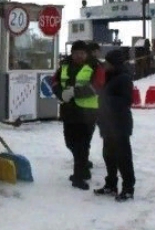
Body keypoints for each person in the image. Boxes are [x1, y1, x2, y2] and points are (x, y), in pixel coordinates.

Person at [51, 40, 103, 190]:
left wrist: (75, 92)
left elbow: (98, 85)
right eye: (76, 53)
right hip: (69, 110)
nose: (79, 56)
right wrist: (61, 94)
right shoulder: (65, 65)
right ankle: (83, 169)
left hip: (87, 113)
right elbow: (54, 81)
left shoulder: (95, 66)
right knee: (70, 143)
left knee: (82, 145)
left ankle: (79, 177)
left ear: (86, 54)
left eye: (81, 53)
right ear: (71, 54)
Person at [93, 49, 136, 201]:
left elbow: (126, 101)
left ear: (115, 63)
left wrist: (105, 100)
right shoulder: (111, 77)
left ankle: (128, 188)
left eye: (108, 62)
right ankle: (111, 184)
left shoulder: (124, 78)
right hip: (108, 124)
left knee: (123, 158)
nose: (106, 65)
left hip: (119, 124)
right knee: (109, 156)